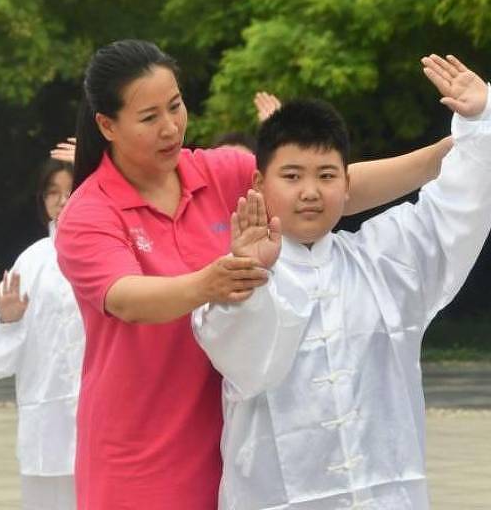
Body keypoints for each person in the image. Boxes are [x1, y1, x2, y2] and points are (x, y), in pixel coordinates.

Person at [54, 39, 453, 509]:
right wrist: (213, 282)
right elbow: (125, 297)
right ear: (107, 125)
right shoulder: (90, 211)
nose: (170, 127)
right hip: (143, 451)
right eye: (149, 118)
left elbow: (327, 188)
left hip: (233, 440)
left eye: (176, 106)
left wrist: (450, 153)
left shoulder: (220, 172)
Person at [192, 54, 490, 509]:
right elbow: (246, 364)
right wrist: (251, 276)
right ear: (259, 182)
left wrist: (479, 121)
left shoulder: (387, 259)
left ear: (347, 184)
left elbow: (456, 210)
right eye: (292, 176)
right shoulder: (226, 276)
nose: (310, 191)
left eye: (326, 175)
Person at [0, 153, 82, 510]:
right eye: (53, 191)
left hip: (102, 412)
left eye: (72, 189)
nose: (63, 199)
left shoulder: (113, 249)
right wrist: (8, 319)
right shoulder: (32, 260)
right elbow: (1, 361)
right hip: (47, 418)